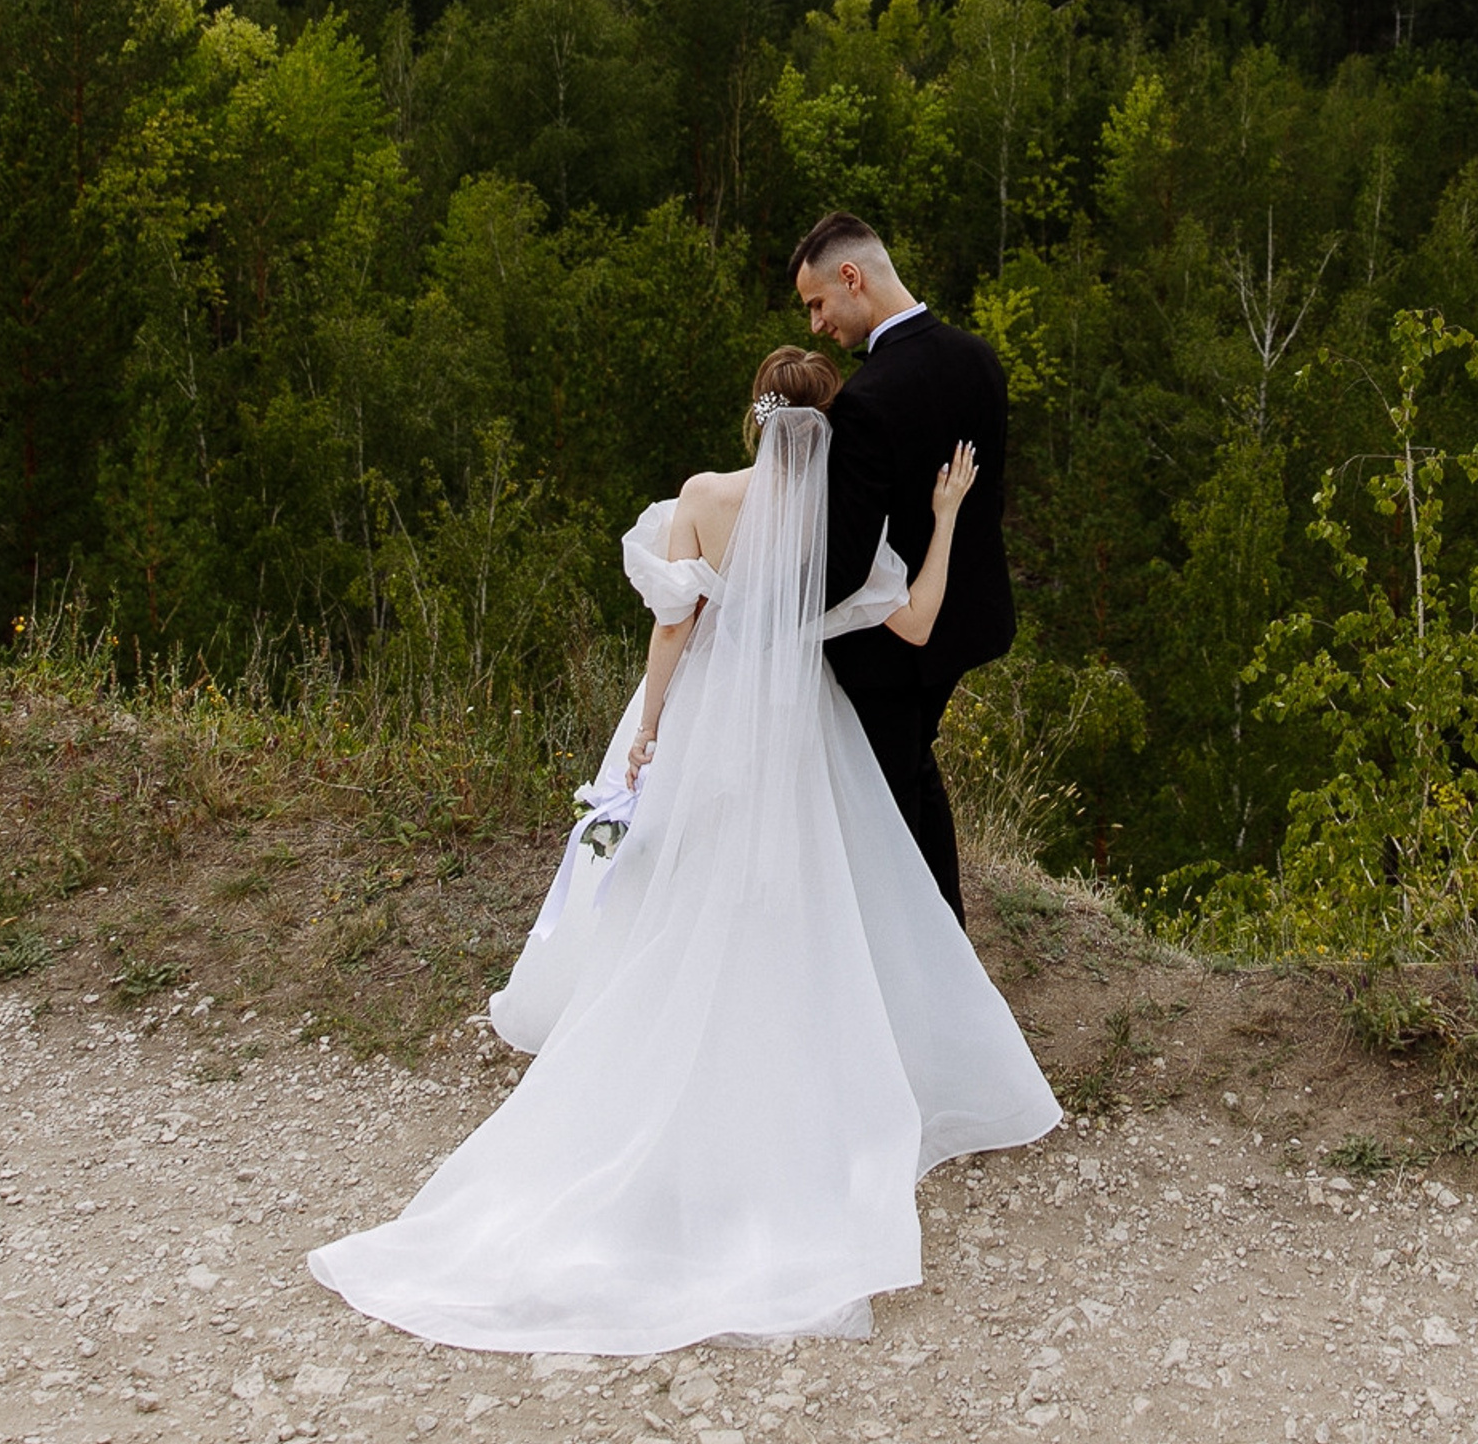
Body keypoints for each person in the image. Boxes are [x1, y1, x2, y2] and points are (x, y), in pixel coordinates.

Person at [308, 346, 1060, 1356]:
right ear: (829, 428)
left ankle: (656, 1043)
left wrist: (651, 732)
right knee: (796, 900)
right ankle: (781, 1078)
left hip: (708, 718)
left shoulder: (704, 497)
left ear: (756, 415)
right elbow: (918, 623)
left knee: (675, 889)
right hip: (801, 732)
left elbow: (672, 631)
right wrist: (948, 513)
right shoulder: (841, 527)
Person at [792, 212, 1012, 920]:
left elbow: (847, 562)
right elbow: (987, 502)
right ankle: (944, 936)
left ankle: (916, 946)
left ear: (851, 277)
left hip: (889, 646)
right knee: (913, 770)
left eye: (818, 304)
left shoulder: (867, 400)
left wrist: (773, 610)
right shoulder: (979, 359)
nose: (818, 325)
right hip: (963, 623)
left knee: (884, 798)